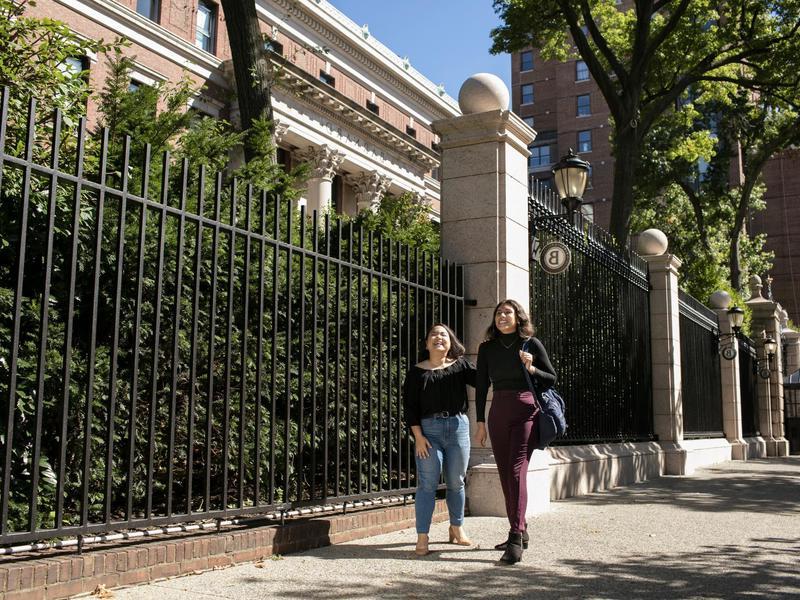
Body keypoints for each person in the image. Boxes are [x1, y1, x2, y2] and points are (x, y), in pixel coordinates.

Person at [475, 299, 556, 564]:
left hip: (525, 410)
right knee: (504, 472)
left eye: (507, 312)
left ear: (518, 317)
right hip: (498, 410)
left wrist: (531, 367)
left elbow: (551, 377)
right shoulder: (487, 349)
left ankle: (514, 536)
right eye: (498, 312)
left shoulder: (530, 344)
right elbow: (481, 387)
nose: (502, 316)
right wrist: (480, 423)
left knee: (516, 471)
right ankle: (521, 528)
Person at [403, 323, 476, 556]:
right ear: (427, 343)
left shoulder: (461, 366)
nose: (438, 337)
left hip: (458, 428)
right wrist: (418, 436)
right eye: (433, 334)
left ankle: (456, 528)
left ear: (450, 342)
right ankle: (422, 536)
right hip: (428, 431)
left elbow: (484, 379)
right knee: (427, 484)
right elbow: (409, 407)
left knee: (456, 481)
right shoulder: (416, 372)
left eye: (443, 334)